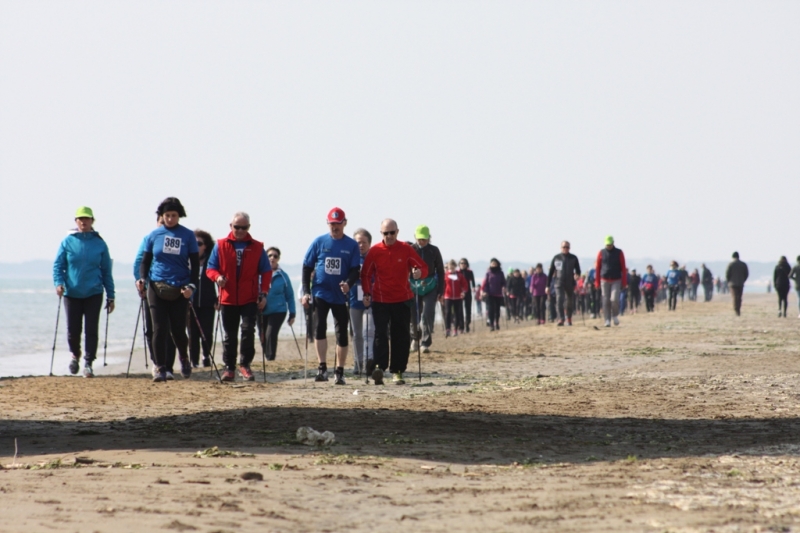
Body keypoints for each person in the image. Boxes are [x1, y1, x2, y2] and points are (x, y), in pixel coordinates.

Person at [137, 197, 198, 383]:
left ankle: (184, 358)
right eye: (167, 216)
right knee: (159, 329)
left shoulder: (188, 236)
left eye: (173, 215)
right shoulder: (154, 236)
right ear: (161, 217)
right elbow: (145, 261)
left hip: (180, 288)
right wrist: (141, 279)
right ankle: (160, 367)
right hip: (156, 285)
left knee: (178, 331)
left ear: (179, 216)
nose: (170, 219)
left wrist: (191, 286)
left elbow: (195, 265)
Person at [206, 212, 272, 382]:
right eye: (237, 227)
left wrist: (264, 293)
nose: (240, 230)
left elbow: (266, 271)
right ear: (231, 226)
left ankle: (245, 365)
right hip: (227, 297)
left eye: (244, 227)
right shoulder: (220, 245)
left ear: (249, 228)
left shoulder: (257, 247)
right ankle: (229, 368)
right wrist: (217, 277)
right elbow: (210, 268)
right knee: (229, 334)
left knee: (248, 331)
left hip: (250, 297)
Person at [361, 219, 427, 385]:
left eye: (392, 233)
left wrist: (418, 273)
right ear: (381, 233)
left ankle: (397, 371)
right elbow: (366, 274)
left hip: (402, 300)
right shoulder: (375, 251)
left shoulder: (406, 249)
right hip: (381, 300)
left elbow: (423, 268)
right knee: (380, 335)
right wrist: (367, 292)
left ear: (397, 232)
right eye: (385, 233)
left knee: (401, 337)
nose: (389, 236)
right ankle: (379, 368)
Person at [301, 207, 361, 385]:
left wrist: (348, 284)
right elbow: (306, 267)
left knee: (342, 332)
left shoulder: (351, 245)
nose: (335, 227)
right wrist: (305, 291)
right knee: (319, 328)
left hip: (340, 295)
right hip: (320, 292)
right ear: (328, 223)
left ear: (345, 223)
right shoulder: (319, 242)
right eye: (332, 224)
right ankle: (322, 367)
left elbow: (355, 270)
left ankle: (340, 370)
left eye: (338, 224)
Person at [53, 206, 115, 378]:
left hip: (94, 292)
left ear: (92, 221)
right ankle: (75, 355)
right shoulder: (67, 241)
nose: (83, 221)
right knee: (73, 330)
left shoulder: (100, 243)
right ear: (76, 221)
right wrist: (59, 283)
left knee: (91, 329)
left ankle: (88, 362)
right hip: (71, 292)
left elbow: (106, 271)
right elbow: (58, 265)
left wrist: (111, 295)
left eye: (87, 219)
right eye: (80, 219)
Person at [134, 215, 175, 376]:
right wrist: (140, 281)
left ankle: (169, 366)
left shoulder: (178, 238)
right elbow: (139, 262)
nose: (165, 225)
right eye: (162, 222)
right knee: (152, 329)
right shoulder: (149, 238)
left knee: (170, 329)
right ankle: (157, 362)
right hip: (151, 289)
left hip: (173, 289)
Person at [409, 225, 445, 354]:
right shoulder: (410, 249)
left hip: (430, 286)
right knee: (413, 316)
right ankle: (415, 338)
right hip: (412, 286)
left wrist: (441, 291)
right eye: (419, 239)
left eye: (424, 239)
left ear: (429, 238)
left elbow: (440, 271)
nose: (421, 241)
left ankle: (425, 342)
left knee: (427, 314)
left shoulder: (434, 251)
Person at [258, 247, 296, 362]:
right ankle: (267, 355)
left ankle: (271, 357)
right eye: (269, 255)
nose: (272, 258)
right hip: (261, 309)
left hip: (278, 310)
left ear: (278, 259)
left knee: (271, 333)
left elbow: (290, 295)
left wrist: (292, 313)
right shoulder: (258, 274)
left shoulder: (283, 276)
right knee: (262, 335)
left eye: (275, 256)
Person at [190, 230, 217, 368]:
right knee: (192, 333)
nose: (196, 246)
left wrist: (218, 300)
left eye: (199, 243)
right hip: (189, 303)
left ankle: (206, 355)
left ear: (205, 246)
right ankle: (193, 361)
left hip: (208, 303)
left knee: (206, 332)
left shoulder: (211, 261)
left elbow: (219, 280)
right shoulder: (187, 260)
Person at [349, 229, 373, 375]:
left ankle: (369, 362)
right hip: (354, 300)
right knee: (356, 334)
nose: (361, 245)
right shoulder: (351, 258)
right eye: (358, 242)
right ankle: (357, 363)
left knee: (369, 331)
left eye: (364, 242)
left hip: (371, 299)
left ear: (369, 244)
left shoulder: (373, 257)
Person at [546, 241, 581, 326]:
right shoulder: (556, 258)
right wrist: (547, 286)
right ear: (561, 248)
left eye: (567, 247)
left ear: (569, 248)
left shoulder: (573, 258)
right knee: (559, 299)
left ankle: (568, 318)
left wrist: (577, 275)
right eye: (564, 247)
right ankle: (560, 319)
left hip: (570, 282)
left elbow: (578, 270)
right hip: (559, 282)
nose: (565, 248)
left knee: (569, 301)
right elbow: (550, 273)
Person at [595, 236, 627, 327]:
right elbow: (598, 268)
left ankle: (615, 315)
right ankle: (607, 320)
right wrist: (597, 282)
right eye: (607, 245)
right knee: (605, 300)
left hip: (616, 279)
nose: (608, 246)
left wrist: (624, 282)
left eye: (610, 244)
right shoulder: (601, 253)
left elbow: (623, 268)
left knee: (614, 299)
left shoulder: (619, 252)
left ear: (613, 243)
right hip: (604, 279)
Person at [443, 259, 469, 335]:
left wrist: (464, 292)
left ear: (455, 266)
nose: (451, 268)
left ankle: (455, 329)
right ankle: (448, 329)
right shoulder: (446, 275)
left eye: (453, 267)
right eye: (450, 267)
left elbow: (465, 285)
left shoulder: (459, 275)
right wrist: (441, 294)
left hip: (458, 297)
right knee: (448, 313)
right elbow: (443, 285)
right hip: (448, 296)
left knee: (457, 313)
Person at [481, 258, 506, 331]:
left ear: (497, 264)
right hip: (490, 294)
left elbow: (503, 282)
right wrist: (484, 291)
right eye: (492, 264)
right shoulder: (488, 273)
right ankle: (491, 324)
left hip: (498, 294)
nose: (494, 265)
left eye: (495, 264)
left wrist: (504, 287)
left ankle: (497, 323)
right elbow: (485, 284)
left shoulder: (500, 273)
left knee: (497, 310)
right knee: (491, 310)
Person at [725, 251, 749, 316]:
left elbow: (727, 274)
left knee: (735, 297)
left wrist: (729, 281)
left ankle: (736, 309)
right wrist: (743, 280)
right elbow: (746, 274)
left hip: (732, 284)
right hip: (740, 283)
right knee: (739, 297)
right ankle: (738, 308)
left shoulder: (730, 264)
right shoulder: (743, 264)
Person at [459, 259, 476, 332]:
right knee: (459, 309)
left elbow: (473, 281)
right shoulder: (457, 272)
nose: (463, 264)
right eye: (461, 263)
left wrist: (473, 287)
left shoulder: (470, 272)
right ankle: (461, 325)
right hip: (459, 292)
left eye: (464, 263)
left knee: (468, 309)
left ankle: (467, 324)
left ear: (467, 264)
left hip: (468, 292)